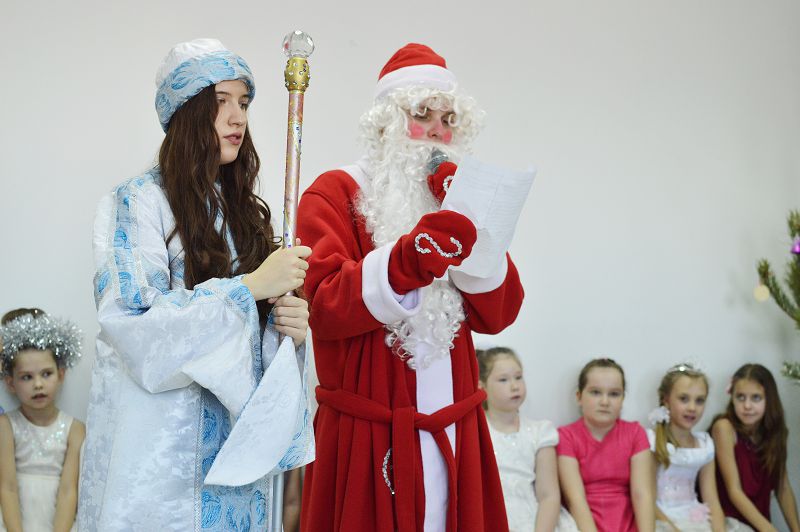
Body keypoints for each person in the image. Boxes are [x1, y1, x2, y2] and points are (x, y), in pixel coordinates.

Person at [78, 38, 314, 531]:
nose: (237, 118)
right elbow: (135, 330)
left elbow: (253, 356)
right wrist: (247, 289)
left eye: (243, 103)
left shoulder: (242, 214)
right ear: (185, 113)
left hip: (233, 455)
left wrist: (284, 329)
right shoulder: (137, 203)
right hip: (162, 457)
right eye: (220, 102)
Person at [297, 43, 525, 531]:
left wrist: (472, 227)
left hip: (455, 429)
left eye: (449, 120)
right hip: (369, 437)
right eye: (423, 115)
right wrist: (404, 262)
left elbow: (500, 313)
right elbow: (323, 306)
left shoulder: (456, 197)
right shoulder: (334, 191)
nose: (438, 132)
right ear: (387, 122)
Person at [477, 347, 577, 532]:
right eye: (503, 380)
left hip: (535, 522)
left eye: (518, 377)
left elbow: (548, 495)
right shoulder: (476, 433)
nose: (515, 386)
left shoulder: (540, 432)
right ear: (481, 385)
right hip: (492, 519)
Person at [0, 311, 84, 531]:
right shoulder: (5, 426)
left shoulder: (75, 430)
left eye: (46, 374)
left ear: (61, 374)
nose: (38, 384)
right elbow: (7, 487)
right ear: (11, 383)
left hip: (58, 520)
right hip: (14, 519)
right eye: (26, 377)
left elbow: (68, 490)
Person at [648, 364, 750, 532]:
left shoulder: (704, 445)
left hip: (695, 518)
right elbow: (648, 501)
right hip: (661, 521)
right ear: (666, 400)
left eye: (699, 400)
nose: (692, 408)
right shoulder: (652, 442)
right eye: (684, 399)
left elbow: (712, 501)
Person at [557, 358, 655, 532]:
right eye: (595, 392)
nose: (605, 401)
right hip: (582, 523)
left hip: (628, 521)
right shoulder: (566, 436)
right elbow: (575, 499)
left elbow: (642, 494)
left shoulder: (635, 433)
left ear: (623, 398)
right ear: (579, 397)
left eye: (614, 394)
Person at [710, 363, 800, 532]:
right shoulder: (724, 428)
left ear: (769, 400)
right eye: (740, 397)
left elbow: (783, 487)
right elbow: (734, 491)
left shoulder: (776, 433)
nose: (747, 406)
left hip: (760, 522)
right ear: (732, 398)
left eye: (756, 398)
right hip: (728, 521)